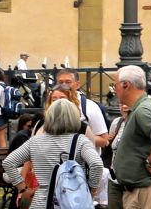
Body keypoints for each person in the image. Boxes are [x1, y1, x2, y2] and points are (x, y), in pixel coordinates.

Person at [3, 97, 104, 209]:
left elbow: (8, 162)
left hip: (40, 202)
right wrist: (91, 189)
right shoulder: (80, 141)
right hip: (71, 202)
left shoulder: (35, 141)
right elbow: (96, 164)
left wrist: (22, 188)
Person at [107, 66, 151, 209]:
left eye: (115, 85)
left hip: (144, 193)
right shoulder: (141, 107)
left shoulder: (142, 110)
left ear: (126, 85)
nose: (114, 90)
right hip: (135, 191)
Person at [51, 69, 112, 206]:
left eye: (68, 82)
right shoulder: (51, 109)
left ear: (77, 84)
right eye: (61, 82)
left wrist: (80, 140)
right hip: (57, 168)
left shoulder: (89, 107)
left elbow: (104, 140)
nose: (65, 85)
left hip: (83, 169)